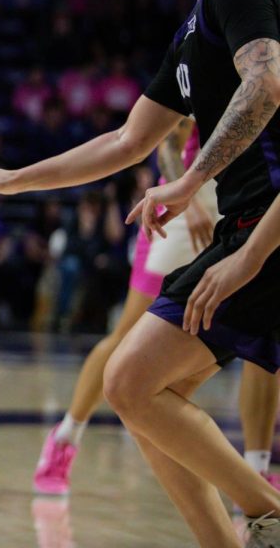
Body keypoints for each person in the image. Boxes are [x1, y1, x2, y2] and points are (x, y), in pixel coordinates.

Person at [0, 0, 280, 546]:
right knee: (139, 392)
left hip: (266, 225)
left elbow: (268, 82)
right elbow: (127, 140)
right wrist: (16, 178)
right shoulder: (194, 25)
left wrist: (189, 182)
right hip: (243, 227)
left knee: (132, 383)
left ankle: (267, 513)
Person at [33, 119, 280, 497]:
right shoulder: (227, 62)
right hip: (189, 202)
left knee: (262, 344)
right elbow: (168, 144)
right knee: (128, 335)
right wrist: (193, 201)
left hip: (253, 203)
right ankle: (67, 435)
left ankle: (258, 469)